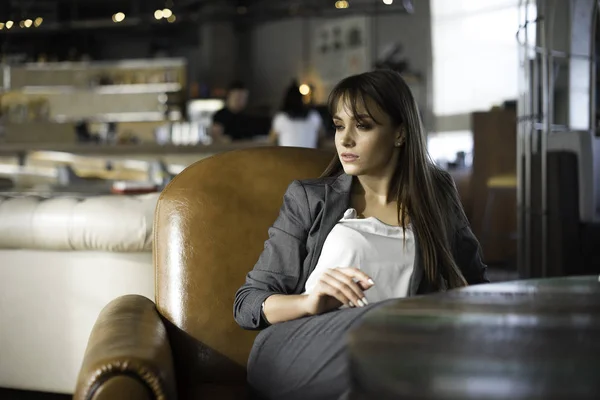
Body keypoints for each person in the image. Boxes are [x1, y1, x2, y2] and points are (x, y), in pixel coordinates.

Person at [234, 69, 489, 400]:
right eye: (340, 125)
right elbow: (247, 303)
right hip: (299, 343)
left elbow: (476, 287)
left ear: (400, 133)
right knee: (388, 331)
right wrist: (309, 303)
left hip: (394, 350)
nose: (345, 139)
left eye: (363, 125)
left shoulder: (436, 194)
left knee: (394, 347)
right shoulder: (310, 198)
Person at [269, 80, 325, 148]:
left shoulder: (281, 118)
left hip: (287, 157)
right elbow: (322, 138)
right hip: (310, 156)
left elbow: (272, 140)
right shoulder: (314, 116)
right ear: (302, 99)